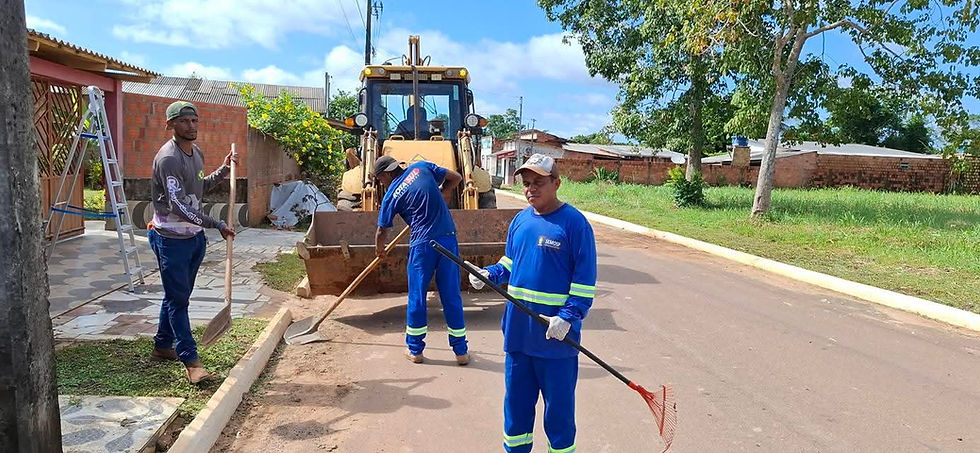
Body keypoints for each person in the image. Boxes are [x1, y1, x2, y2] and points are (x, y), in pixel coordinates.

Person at [469, 154, 597, 453]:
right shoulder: (520, 220)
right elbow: (510, 263)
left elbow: (583, 283)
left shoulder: (574, 225)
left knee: (560, 418)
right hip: (518, 338)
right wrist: (489, 274)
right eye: (526, 183)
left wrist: (568, 317)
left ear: (557, 183)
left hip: (555, 340)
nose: (531, 189)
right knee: (516, 414)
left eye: (539, 182)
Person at [148, 101, 237, 384]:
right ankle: (191, 360)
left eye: (194, 121)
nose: (191, 126)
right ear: (170, 125)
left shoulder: (196, 153)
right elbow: (177, 205)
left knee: (178, 295)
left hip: (193, 238)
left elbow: (199, 187)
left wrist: (222, 171)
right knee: (178, 300)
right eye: (184, 121)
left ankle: (163, 345)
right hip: (170, 239)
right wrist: (216, 224)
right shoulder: (168, 159)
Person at [374, 155, 469, 365]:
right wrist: (445, 191)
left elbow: (382, 230)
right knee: (451, 296)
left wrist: (380, 251)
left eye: (380, 179)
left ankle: (415, 350)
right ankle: (461, 352)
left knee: (417, 297)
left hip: (422, 246)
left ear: (386, 174)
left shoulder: (391, 196)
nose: (381, 183)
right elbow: (456, 177)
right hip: (448, 240)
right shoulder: (422, 167)